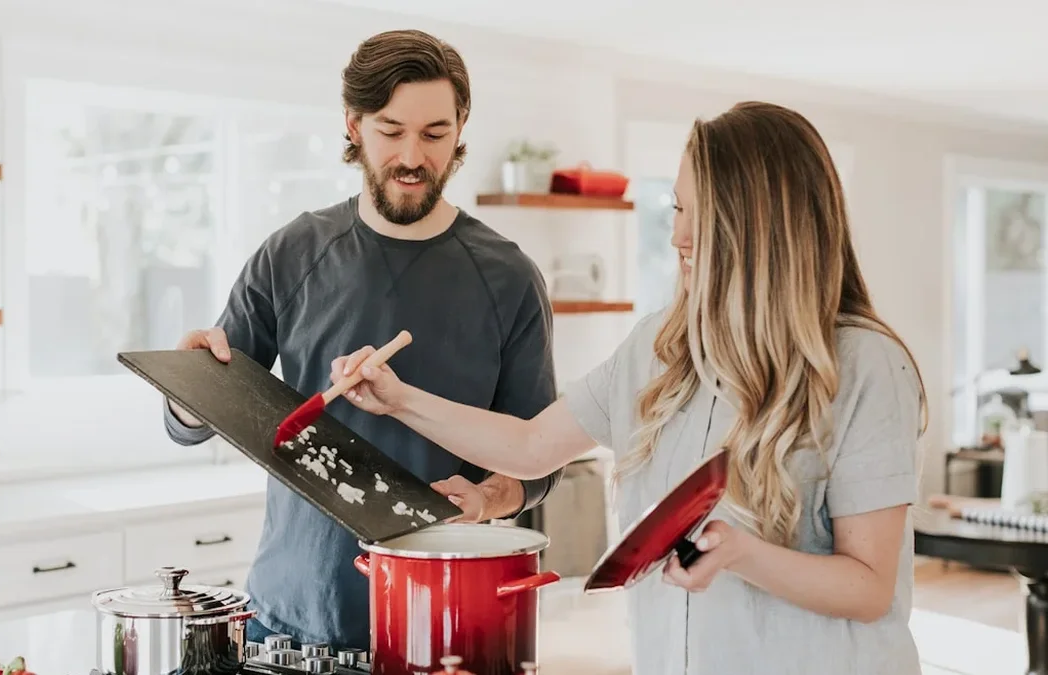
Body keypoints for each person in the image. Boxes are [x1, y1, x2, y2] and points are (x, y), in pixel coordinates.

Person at [330, 101, 929, 675]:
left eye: (701, 215)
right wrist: (398, 398)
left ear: (764, 228)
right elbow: (533, 445)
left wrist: (742, 553)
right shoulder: (657, 348)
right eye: (676, 209)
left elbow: (870, 586)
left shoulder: (864, 365)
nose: (678, 237)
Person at [161, 28, 563, 652]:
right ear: (353, 125)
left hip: (443, 625)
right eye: (391, 130)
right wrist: (187, 391)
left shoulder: (508, 277)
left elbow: (540, 461)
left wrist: (488, 498)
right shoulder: (291, 253)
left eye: (434, 134)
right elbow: (200, 415)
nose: (412, 156)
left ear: (460, 129)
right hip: (287, 622)